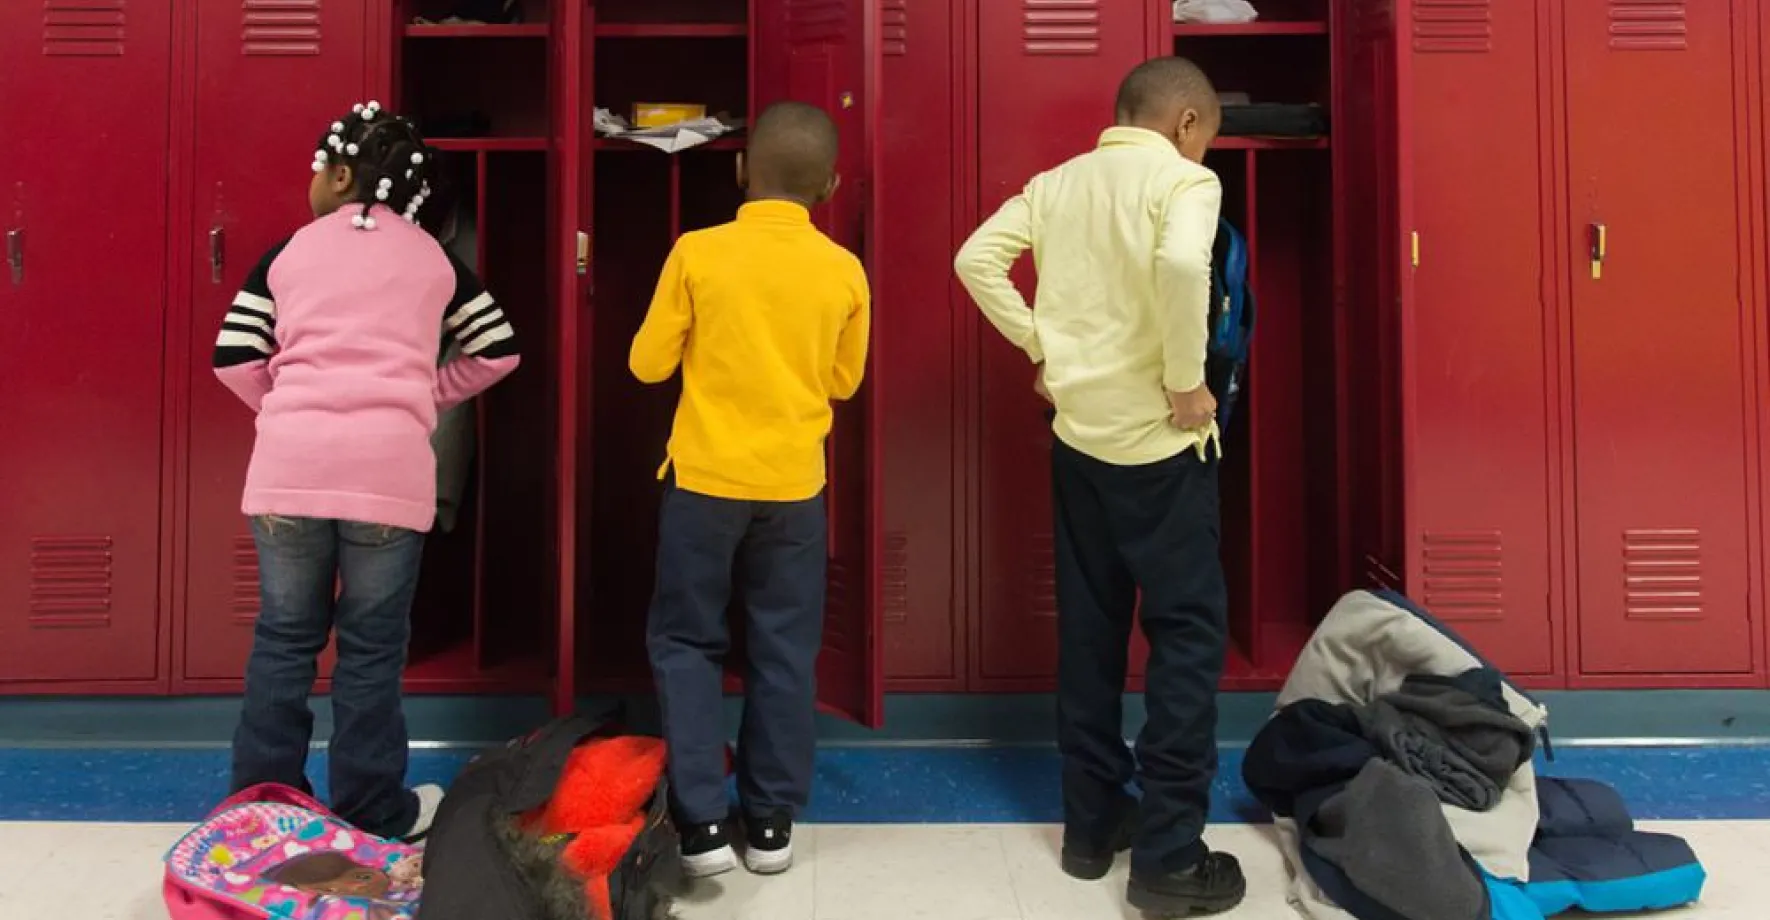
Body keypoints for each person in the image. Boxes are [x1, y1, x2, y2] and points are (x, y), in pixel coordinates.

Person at [953, 57, 1245, 915]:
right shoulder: (1186, 184)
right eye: (1209, 137)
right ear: (1187, 123)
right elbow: (1188, 268)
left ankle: (1092, 830)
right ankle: (1168, 861)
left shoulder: (1056, 184)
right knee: (1186, 645)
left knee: (1090, 634)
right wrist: (1189, 378)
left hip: (1079, 444)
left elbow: (975, 259)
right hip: (1163, 449)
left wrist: (1042, 347)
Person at [215, 101, 520, 841]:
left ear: (344, 174)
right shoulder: (433, 257)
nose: (311, 181)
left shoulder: (289, 252)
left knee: (285, 639)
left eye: (317, 168)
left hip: (290, 470)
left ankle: (264, 804)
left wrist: (284, 408)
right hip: (389, 479)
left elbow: (233, 358)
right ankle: (373, 808)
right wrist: (424, 396)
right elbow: (497, 348)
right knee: (372, 649)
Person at [629, 100, 870, 879]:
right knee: (783, 651)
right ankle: (769, 825)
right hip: (794, 491)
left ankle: (699, 826)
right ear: (829, 185)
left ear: (740, 171)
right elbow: (844, 379)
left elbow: (647, 365)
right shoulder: (842, 269)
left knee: (686, 642)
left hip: (703, 483)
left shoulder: (698, 252)